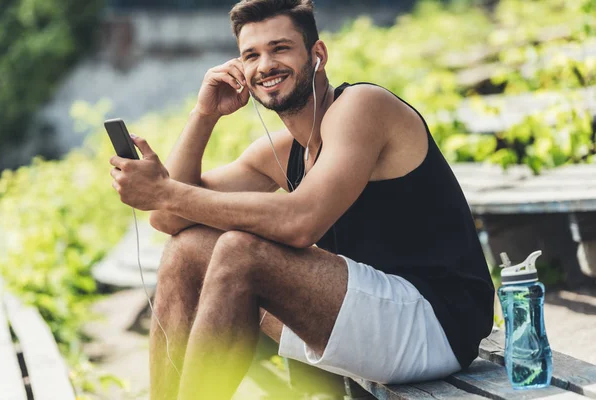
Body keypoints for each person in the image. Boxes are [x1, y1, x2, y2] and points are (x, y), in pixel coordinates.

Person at [108, 0, 495, 399]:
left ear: (317, 55)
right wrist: (203, 116)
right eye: (251, 55)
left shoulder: (363, 106)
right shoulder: (281, 150)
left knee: (240, 252)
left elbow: (301, 221)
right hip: (366, 312)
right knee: (187, 248)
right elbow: (169, 219)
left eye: (280, 48)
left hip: (435, 322)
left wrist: (165, 191)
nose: (266, 65)